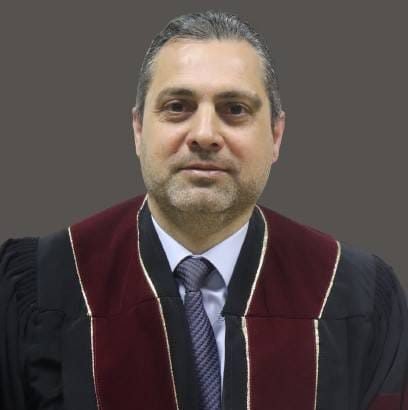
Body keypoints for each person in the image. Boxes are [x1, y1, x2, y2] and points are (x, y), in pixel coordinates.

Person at [0, 10, 407, 410]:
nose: (205, 134)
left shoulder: (354, 295)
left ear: (276, 135)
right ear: (138, 130)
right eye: (178, 106)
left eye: (235, 109)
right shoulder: (48, 283)